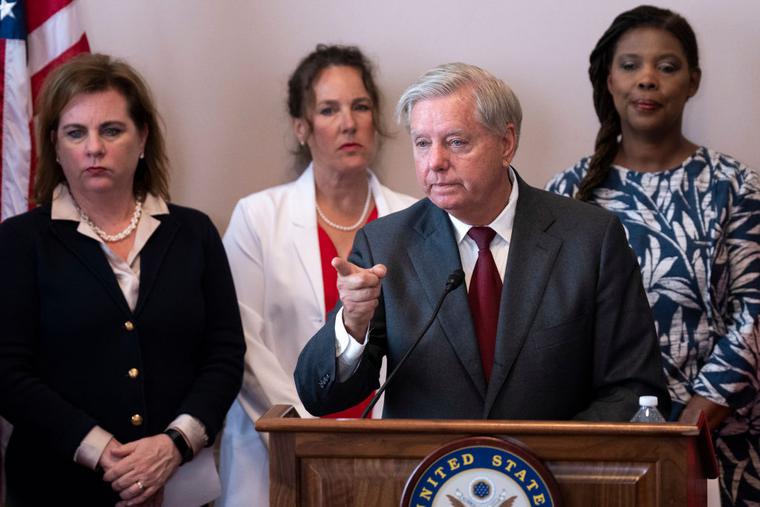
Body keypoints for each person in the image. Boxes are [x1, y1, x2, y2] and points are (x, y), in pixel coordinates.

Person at [294, 62, 669, 424]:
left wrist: (548, 460)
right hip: (428, 481)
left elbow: (633, 390)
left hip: (552, 483)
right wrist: (352, 324)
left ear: (506, 143)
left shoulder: (590, 240)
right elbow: (319, 397)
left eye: (456, 142)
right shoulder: (386, 245)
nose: (435, 162)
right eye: (422, 143)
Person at [0, 53, 245, 506]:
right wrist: (103, 452)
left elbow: (225, 355)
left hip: (181, 486)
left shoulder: (193, 232)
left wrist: (174, 444)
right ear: (55, 146)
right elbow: (7, 372)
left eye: (111, 130)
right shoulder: (18, 241)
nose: (94, 147)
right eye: (76, 133)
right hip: (54, 487)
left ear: (143, 137)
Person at [546, 5, 760, 505]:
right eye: (629, 65)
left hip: (720, 443)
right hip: (601, 445)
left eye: (666, 67)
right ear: (607, 80)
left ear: (693, 82)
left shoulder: (735, 186)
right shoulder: (567, 195)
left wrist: (691, 425)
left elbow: (755, 313)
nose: (647, 80)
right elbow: (550, 325)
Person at [217, 44, 416, 506]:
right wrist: (308, 431)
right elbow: (241, 341)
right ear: (301, 127)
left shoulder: (413, 218)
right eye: (329, 109)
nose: (348, 122)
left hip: (389, 453)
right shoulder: (258, 216)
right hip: (279, 449)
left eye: (360, 106)